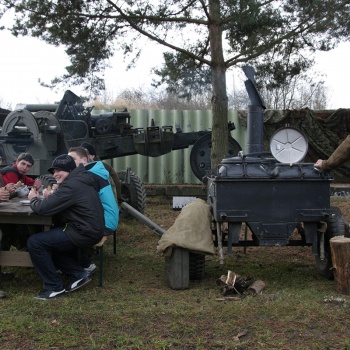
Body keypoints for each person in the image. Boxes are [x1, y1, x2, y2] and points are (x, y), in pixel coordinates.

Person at [26, 154, 105, 300]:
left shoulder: (71, 185)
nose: (55, 174)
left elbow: (42, 209)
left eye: (58, 170)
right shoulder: (80, 180)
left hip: (83, 231)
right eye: (53, 172)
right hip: (91, 229)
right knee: (49, 243)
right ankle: (78, 274)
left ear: (69, 169)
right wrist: (54, 197)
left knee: (35, 243)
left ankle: (54, 287)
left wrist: (34, 199)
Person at [68, 147, 119, 273]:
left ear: (84, 160)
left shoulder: (89, 176)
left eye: (73, 159)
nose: (69, 162)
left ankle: (83, 264)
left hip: (105, 222)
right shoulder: (96, 170)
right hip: (109, 218)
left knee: (66, 228)